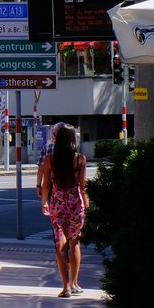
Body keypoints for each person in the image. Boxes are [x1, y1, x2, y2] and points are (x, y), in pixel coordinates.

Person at [37, 122, 89, 296]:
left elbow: (46, 185)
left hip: (58, 205)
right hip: (76, 205)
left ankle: (65, 286)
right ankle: (75, 284)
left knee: (60, 245)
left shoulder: (50, 159)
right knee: (75, 243)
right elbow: (83, 187)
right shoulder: (80, 159)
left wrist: (44, 202)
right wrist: (86, 202)